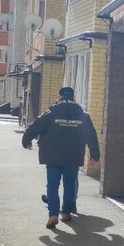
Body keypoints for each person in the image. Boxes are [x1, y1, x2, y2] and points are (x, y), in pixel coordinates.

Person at [21, 86, 100, 229]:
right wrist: (95, 155)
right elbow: (91, 136)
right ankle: (66, 213)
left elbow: (34, 127)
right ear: (73, 98)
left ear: (59, 97)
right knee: (70, 185)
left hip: (53, 157)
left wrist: (26, 141)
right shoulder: (83, 115)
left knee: (52, 185)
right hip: (73, 156)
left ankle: (53, 215)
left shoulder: (51, 113)